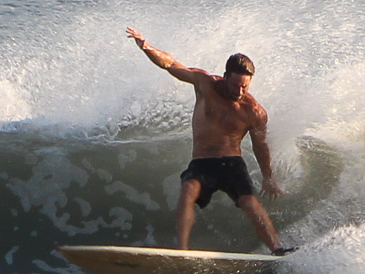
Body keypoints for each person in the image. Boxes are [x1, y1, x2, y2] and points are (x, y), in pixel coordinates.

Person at [125, 27, 292, 254]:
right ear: (225, 77)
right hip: (202, 162)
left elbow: (260, 145)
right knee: (187, 192)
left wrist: (268, 177)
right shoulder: (205, 84)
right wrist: (146, 47)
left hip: (232, 163)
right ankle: (182, 252)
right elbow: (171, 65)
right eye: (235, 85)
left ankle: (277, 249)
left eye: (245, 86)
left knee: (250, 204)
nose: (240, 91)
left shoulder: (254, 112)